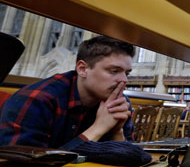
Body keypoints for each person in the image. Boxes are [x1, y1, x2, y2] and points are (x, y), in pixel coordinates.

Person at [0, 35, 136, 151]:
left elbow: (132, 160)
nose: (124, 80)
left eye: (127, 73)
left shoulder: (118, 103)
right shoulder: (36, 100)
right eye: (114, 71)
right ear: (82, 69)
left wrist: (116, 132)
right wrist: (98, 128)